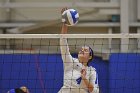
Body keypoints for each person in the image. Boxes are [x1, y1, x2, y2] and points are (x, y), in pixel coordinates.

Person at [58, 8, 99, 93]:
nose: (82, 50)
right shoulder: (70, 61)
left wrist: (84, 78)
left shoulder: (91, 71)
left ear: (90, 56)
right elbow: (63, 41)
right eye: (81, 49)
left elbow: (94, 91)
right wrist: (65, 22)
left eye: (85, 50)